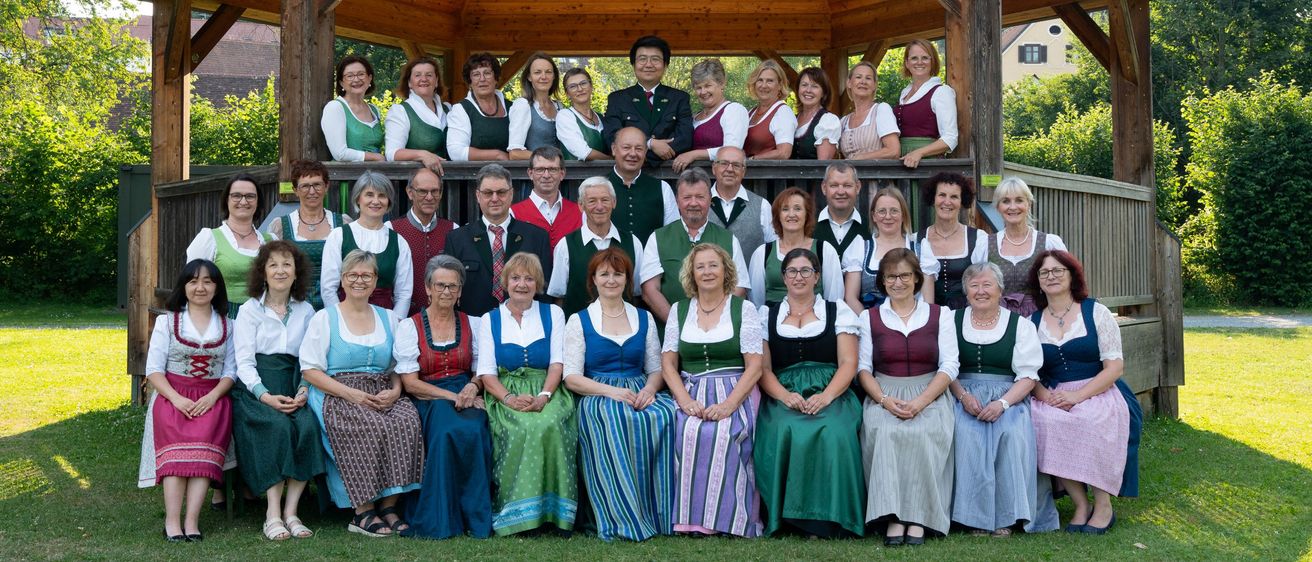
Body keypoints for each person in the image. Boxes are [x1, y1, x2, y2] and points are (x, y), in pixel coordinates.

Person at [301, 250, 424, 537]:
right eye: (353, 275)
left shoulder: (390, 318)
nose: (359, 280)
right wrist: (350, 394)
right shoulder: (325, 318)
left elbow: (395, 367)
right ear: (342, 280)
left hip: (381, 390)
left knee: (406, 419)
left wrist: (395, 391)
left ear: (375, 281)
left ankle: (389, 506)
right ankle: (362, 511)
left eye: (366, 275)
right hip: (336, 392)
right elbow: (310, 371)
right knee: (366, 426)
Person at [562, 249, 675, 541]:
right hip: (598, 393)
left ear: (627, 280)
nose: (611, 280)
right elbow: (572, 377)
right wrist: (612, 391)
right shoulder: (579, 320)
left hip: (639, 388)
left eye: (618, 274)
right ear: (594, 280)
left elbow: (656, 367)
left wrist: (650, 389)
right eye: (605, 274)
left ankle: (659, 513)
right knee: (613, 418)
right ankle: (622, 515)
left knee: (666, 414)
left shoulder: (644, 318)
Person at [753, 248, 864, 538]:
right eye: (792, 271)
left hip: (831, 389)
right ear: (784, 277)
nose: (798, 277)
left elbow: (848, 363)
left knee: (834, 430)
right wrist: (783, 395)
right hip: (783, 390)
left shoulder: (837, 309)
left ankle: (831, 518)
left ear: (817, 276)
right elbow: (763, 368)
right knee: (783, 427)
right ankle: (788, 518)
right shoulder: (767, 314)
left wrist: (826, 396)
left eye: (806, 271)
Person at [1028, 250, 1140, 535]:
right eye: (1044, 272)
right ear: (1038, 281)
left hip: (1098, 388)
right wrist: (1045, 396)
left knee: (1090, 420)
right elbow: (1027, 372)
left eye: (1058, 270)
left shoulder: (1095, 312)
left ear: (1071, 275)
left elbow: (1114, 368)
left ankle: (1103, 504)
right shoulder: (1033, 321)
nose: (1051, 276)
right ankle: (1080, 503)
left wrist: (1078, 397)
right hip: (1053, 393)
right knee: (1046, 423)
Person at [856, 248, 958, 546]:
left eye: (904, 275)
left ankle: (919, 516)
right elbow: (864, 369)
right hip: (884, 391)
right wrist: (885, 401)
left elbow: (950, 365)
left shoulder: (940, 314)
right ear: (883, 281)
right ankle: (893, 516)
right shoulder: (869, 318)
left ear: (916, 279)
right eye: (890, 276)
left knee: (925, 432)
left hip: (930, 391)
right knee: (885, 432)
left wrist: (921, 401)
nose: (897, 282)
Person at [660, 243, 764, 537]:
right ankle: (688, 520)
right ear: (691, 273)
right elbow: (668, 363)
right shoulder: (680, 310)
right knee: (685, 432)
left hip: (734, 389)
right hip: (690, 390)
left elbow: (754, 366)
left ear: (726, 271)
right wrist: (684, 400)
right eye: (700, 266)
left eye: (713, 265)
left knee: (722, 433)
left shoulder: (743, 308)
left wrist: (729, 405)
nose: (707, 272)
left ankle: (725, 520)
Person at [393, 254, 494, 539]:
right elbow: (411, 384)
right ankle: (441, 516)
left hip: (466, 391)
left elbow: (481, 369)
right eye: (440, 285)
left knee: (475, 427)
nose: (446, 292)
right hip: (428, 397)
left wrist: (473, 387)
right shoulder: (408, 327)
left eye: (452, 286)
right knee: (447, 430)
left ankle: (473, 517)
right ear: (427, 288)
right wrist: (450, 397)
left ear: (461, 290)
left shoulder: (474, 323)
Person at [476, 253, 577, 535]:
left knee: (550, 423)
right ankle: (518, 514)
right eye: (516, 278)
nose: (522, 284)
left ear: (538, 284)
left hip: (548, 389)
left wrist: (544, 396)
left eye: (529, 278)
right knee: (523, 427)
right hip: (505, 392)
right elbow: (486, 373)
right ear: (505, 282)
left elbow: (557, 363)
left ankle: (554, 515)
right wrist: (508, 398)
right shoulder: (490, 319)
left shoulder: (553, 313)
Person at [231, 241, 324, 541]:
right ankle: (272, 514)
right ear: (263, 272)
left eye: (287, 264)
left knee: (308, 426)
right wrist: (265, 395)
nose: (281, 270)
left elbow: (310, 358)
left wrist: (304, 389)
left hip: (295, 384)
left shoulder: (306, 310)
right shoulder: (249, 310)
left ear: (297, 273)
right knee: (277, 427)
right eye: (273, 265)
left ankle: (292, 512)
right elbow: (243, 363)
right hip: (257, 389)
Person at [141, 259, 236, 542]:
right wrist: (176, 399)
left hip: (211, 398)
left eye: (207, 281)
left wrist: (213, 397)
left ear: (217, 287)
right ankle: (172, 522)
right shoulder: (167, 322)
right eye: (193, 281)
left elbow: (231, 371)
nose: (200, 287)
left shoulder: (228, 325)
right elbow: (154, 370)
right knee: (176, 459)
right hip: (173, 397)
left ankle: (192, 521)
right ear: (184, 286)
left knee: (202, 457)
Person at [947, 262, 1042, 536]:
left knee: (1011, 433)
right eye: (974, 286)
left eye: (987, 284)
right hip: (962, 394)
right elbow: (946, 367)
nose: (980, 291)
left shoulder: (1021, 326)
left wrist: (1003, 404)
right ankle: (971, 516)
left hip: (1007, 396)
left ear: (1000, 289)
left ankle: (1006, 516)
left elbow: (1027, 376)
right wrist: (963, 396)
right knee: (963, 433)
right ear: (966, 292)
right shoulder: (951, 321)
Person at [640, 168, 752, 324]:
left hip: (719, 331)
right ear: (677, 201)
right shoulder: (658, 238)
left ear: (710, 199)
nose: (693, 203)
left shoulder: (728, 239)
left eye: (700, 197)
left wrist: (715, 324)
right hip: (671, 332)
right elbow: (650, 291)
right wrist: (678, 326)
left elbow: (739, 288)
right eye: (687, 197)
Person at [442, 164, 552, 317]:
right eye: (488, 193)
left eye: (501, 192)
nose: (495, 198)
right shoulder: (457, 239)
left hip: (524, 325)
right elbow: (450, 288)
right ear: (478, 196)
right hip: (474, 324)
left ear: (511, 194)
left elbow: (544, 289)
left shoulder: (537, 237)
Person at [320, 170, 414, 319]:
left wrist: (394, 325)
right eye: (369, 194)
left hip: (384, 318)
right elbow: (328, 288)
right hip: (345, 316)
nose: (375, 201)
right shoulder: (339, 236)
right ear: (358, 199)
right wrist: (338, 321)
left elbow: (404, 294)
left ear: (388, 201)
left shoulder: (399, 242)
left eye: (382, 195)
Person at [547, 176, 646, 316]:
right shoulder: (565, 245)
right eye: (592, 201)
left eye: (605, 200)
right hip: (580, 332)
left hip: (623, 330)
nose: (599, 207)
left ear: (614, 202)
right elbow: (559, 297)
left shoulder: (633, 243)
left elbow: (636, 293)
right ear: (581, 206)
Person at [186, 174, 273, 318]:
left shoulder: (271, 241)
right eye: (236, 195)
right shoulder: (209, 238)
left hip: (262, 320)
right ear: (227, 200)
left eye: (250, 196)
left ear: (258, 202)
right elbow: (191, 284)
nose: (243, 201)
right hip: (222, 319)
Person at [269, 160, 350, 310]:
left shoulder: (343, 223)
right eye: (305, 186)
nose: (312, 191)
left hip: (336, 305)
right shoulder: (280, 226)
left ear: (326, 186)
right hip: (293, 306)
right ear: (295, 190)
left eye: (317, 184)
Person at [602, 35, 693, 166]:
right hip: (629, 172)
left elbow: (685, 139)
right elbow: (612, 137)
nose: (648, 64)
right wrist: (650, 143)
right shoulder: (618, 99)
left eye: (655, 59)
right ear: (633, 64)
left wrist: (646, 156)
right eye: (642, 59)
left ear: (665, 64)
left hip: (670, 174)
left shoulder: (679, 98)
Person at [747, 187, 845, 307]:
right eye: (785, 209)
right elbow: (756, 301)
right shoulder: (762, 253)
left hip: (816, 321)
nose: (791, 214)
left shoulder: (824, 250)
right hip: (771, 321)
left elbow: (834, 299)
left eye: (798, 209)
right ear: (778, 215)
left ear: (807, 215)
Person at [847, 188, 937, 311]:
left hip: (911, 324)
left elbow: (928, 302)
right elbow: (851, 298)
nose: (888, 216)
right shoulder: (860, 248)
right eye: (882, 211)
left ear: (903, 215)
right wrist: (869, 324)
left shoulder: (921, 251)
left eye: (894, 211)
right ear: (874, 216)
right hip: (868, 324)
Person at [988, 177, 1067, 317]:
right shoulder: (985, 245)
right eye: (1006, 201)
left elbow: (1065, 282)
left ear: (1029, 204)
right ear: (998, 207)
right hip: (997, 320)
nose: (1013, 207)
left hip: (1041, 319)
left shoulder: (1049, 243)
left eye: (1019, 200)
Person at [390, 167, 456, 316]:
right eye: (422, 191)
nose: (429, 197)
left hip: (444, 317)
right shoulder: (392, 230)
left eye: (435, 191)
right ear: (410, 193)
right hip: (402, 317)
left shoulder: (453, 230)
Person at [918, 172, 986, 309]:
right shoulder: (916, 239)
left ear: (962, 202)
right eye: (942, 195)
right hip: (927, 316)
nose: (947, 202)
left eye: (954, 197)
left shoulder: (978, 238)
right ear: (933, 198)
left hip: (967, 316)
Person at [670, 58, 747, 172]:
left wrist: (693, 155)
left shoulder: (733, 110)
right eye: (698, 87)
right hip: (690, 181)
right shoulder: (693, 117)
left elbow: (732, 149)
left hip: (720, 179)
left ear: (722, 83)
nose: (703, 92)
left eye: (708, 85)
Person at [894, 39, 958, 168]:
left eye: (925, 58)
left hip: (927, 163)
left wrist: (919, 153)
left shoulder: (941, 92)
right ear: (907, 63)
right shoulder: (904, 93)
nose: (919, 62)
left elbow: (950, 138)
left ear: (932, 61)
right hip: (902, 160)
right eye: (914, 58)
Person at [607, 127, 679, 242]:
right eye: (626, 148)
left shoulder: (662, 188)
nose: (633, 154)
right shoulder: (597, 187)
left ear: (645, 152)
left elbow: (673, 235)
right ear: (614, 149)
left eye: (639, 149)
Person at [509, 146, 582, 253]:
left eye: (552, 169)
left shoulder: (580, 212)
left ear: (562, 174)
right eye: (540, 169)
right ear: (530, 174)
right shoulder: (513, 213)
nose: (546, 175)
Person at [385, 56, 449, 173]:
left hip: (453, 184)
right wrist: (422, 155)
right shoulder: (400, 111)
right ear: (409, 82)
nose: (423, 79)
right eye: (417, 75)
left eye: (429, 75)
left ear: (436, 81)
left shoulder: (448, 109)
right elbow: (391, 153)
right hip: (417, 184)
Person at [708, 146, 775, 257]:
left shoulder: (762, 206)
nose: (729, 169)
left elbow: (772, 249)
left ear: (743, 171)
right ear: (714, 168)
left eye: (736, 165)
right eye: (724, 163)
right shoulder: (700, 204)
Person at [447, 53, 511, 161]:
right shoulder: (461, 110)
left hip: (512, 174)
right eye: (476, 74)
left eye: (487, 73)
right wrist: (497, 155)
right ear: (470, 82)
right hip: (475, 175)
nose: (482, 79)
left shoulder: (512, 108)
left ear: (496, 78)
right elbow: (456, 152)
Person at [322, 55, 384, 162]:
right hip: (348, 175)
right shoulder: (335, 108)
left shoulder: (374, 110)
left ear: (370, 78)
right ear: (341, 82)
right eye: (349, 76)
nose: (356, 79)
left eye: (361, 74)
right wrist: (376, 157)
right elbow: (339, 153)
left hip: (376, 173)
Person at [508, 53, 564, 160]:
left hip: (561, 173)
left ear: (554, 76)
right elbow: (515, 154)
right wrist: (549, 159)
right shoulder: (523, 105)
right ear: (529, 77)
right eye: (537, 72)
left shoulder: (560, 107)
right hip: (536, 173)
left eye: (548, 72)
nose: (543, 77)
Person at [839, 61, 900, 160]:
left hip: (877, 173)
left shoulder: (881, 110)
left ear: (875, 85)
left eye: (868, 78)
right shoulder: (844, 121)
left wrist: (861, 158)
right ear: (849, 83)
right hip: (850, 175)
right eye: (858, 77)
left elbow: (893, 151)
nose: (863, 81)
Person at [814, 162, 870, 259]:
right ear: (824, 188)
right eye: (834, 185)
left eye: (847, 185)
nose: (840, 192)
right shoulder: (808, 227)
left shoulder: (871, 227)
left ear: (857, 187)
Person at [743, 60, 797, 159]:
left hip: (769, 173)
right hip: (748, 172)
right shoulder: (751, 112)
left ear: (780, 85)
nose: (764, 85)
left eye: (770, 81)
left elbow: (784, 153)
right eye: (760, 80)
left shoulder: (783, 113)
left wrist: (753, 159)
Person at [555, 68, 608, 161]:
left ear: (591, 86)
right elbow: (583, 152)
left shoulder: (601, 117)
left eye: (583, 83)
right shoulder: (565, 116)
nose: (580, 89)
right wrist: (613, 161)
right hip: (578, 175)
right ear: (567, 93)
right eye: (573, 86)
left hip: (607, 174)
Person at [791, 67, 841, 160]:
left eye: (815, 86)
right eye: (804, 85)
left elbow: (822, 165)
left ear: (823, 93)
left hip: (813, 175)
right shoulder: (792, 119)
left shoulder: (828, 120)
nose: (808, 90)